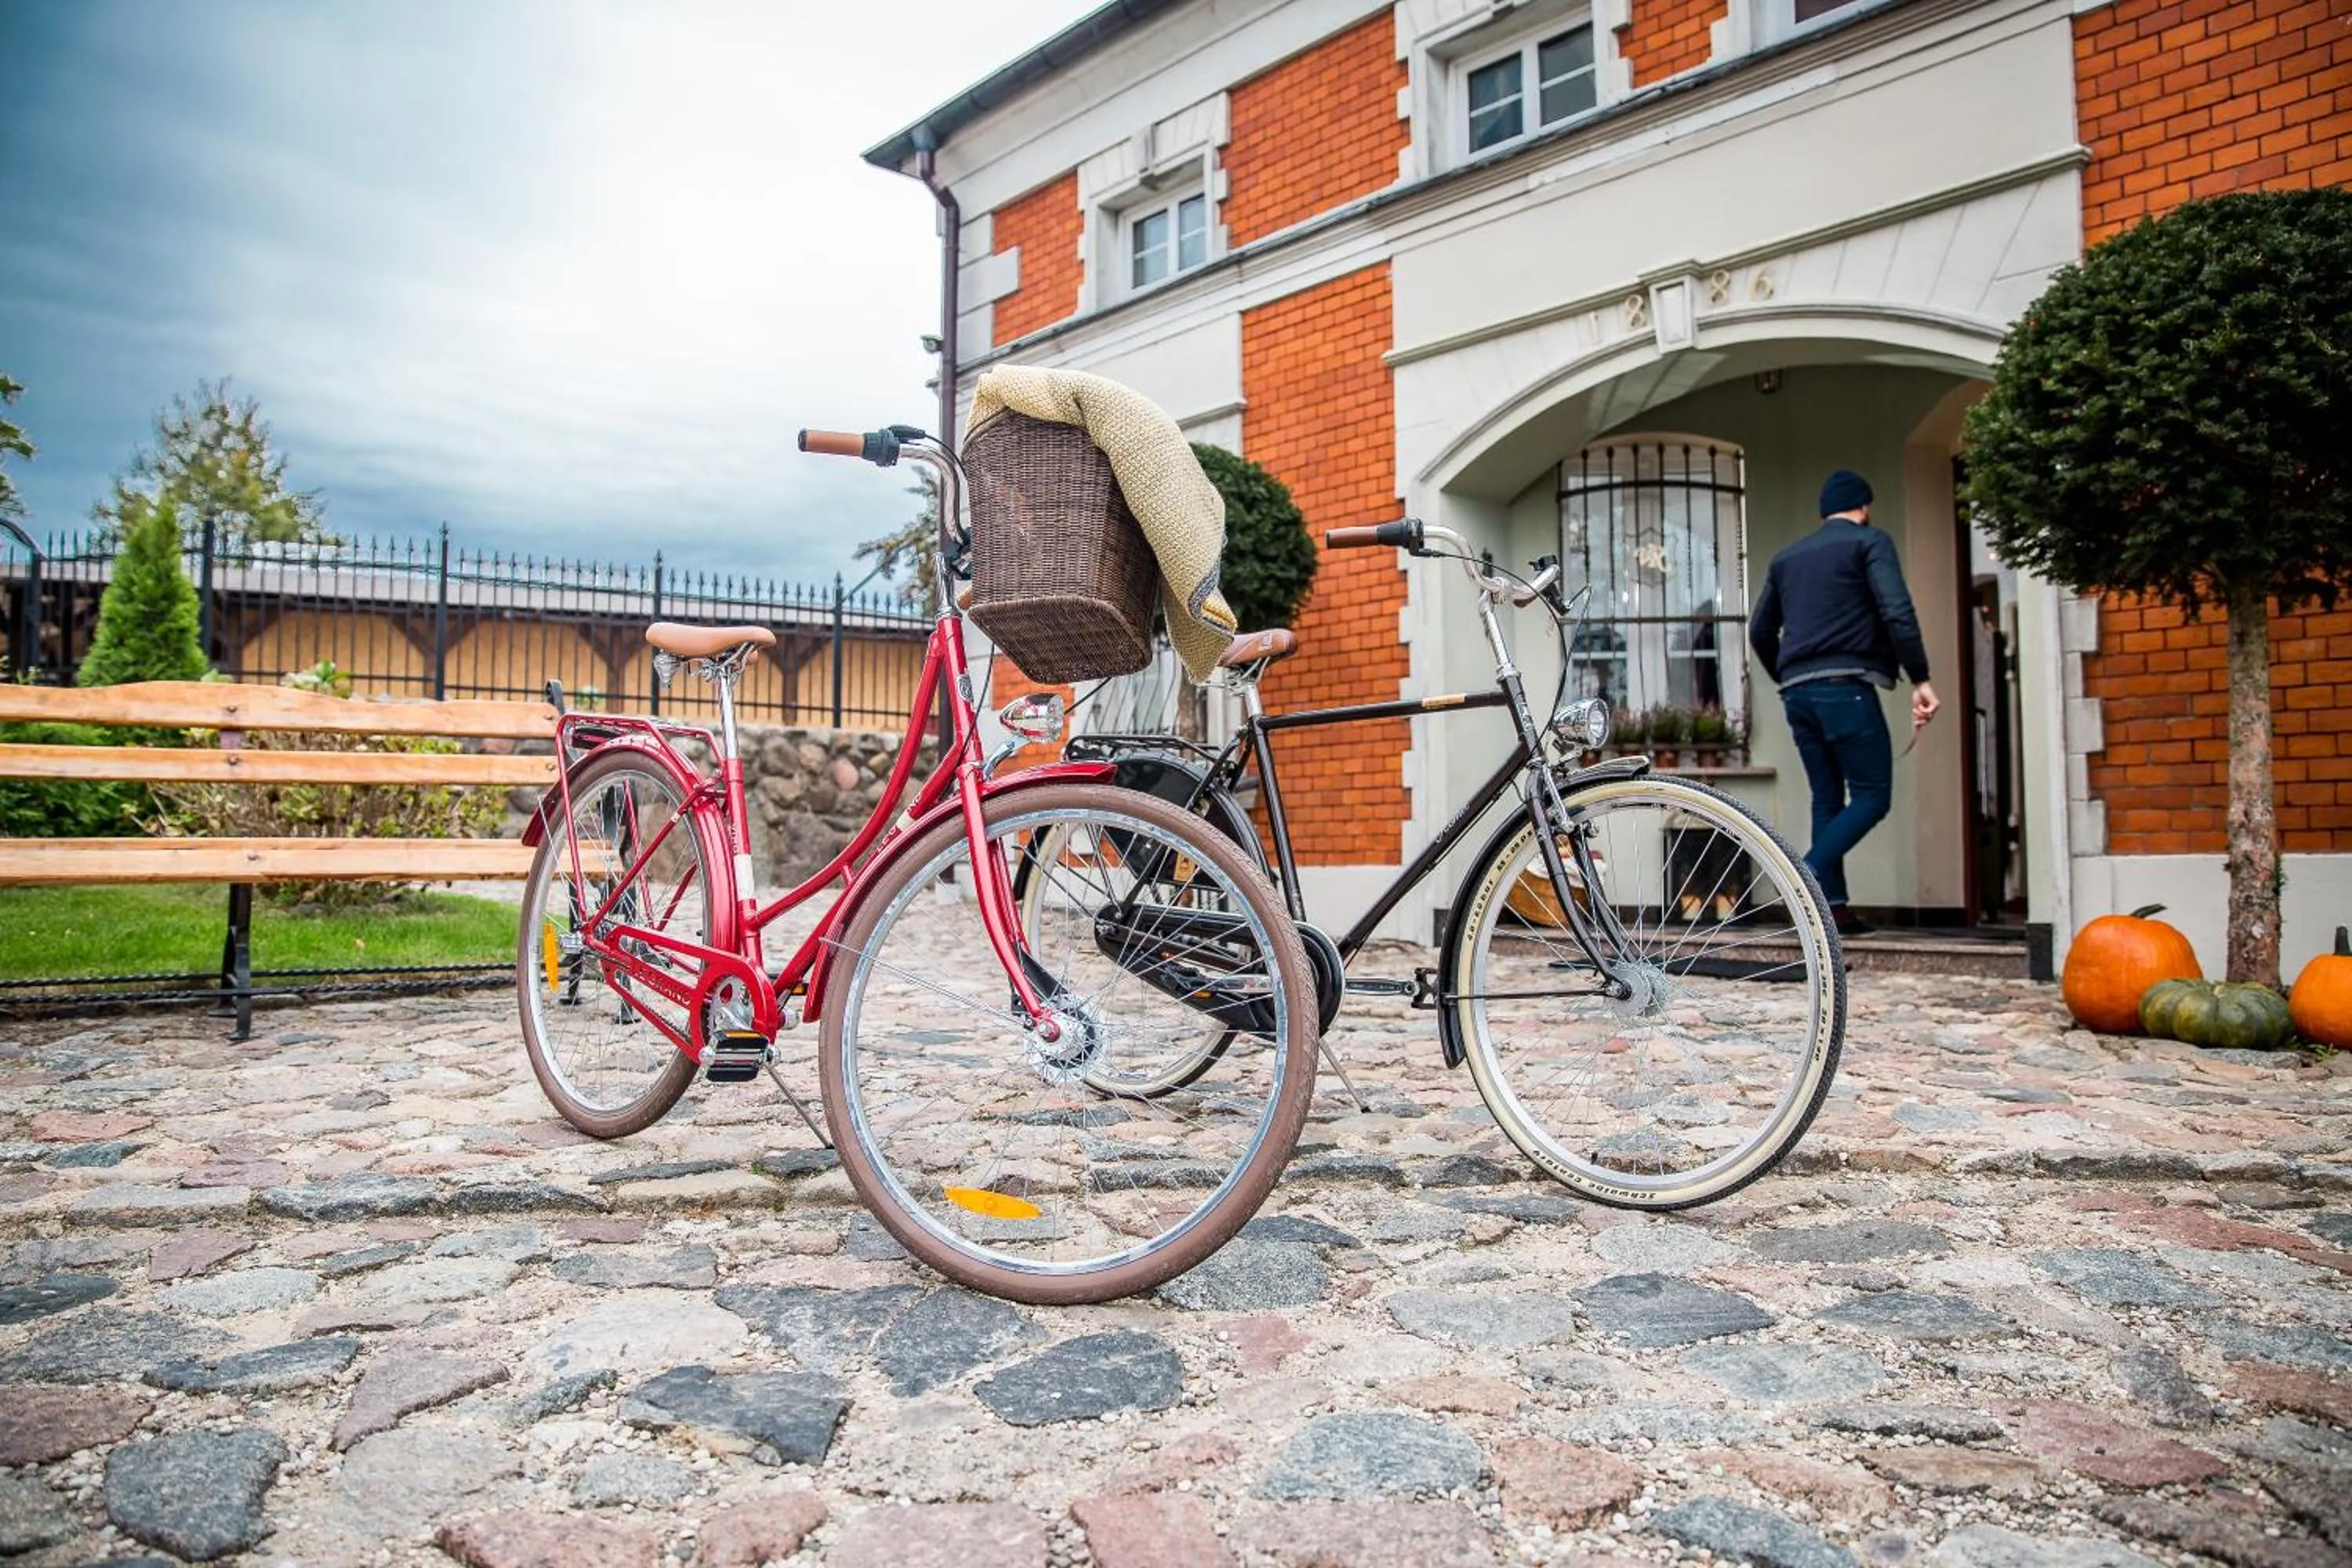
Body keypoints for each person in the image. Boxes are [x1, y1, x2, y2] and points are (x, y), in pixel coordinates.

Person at [1747, 470, 1939, 936]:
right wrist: (1921, 678)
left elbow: (1759, 631)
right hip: (1846, 686)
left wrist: (1789, 678)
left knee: (1827, 796)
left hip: (1798, 693)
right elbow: (1897, 610)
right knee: (1873, 795)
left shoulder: (1787, 558)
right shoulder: (1870, 543)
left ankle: (1833, 910)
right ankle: (1807, 874)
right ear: (1865, 507)